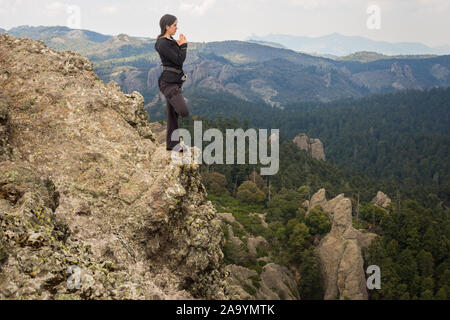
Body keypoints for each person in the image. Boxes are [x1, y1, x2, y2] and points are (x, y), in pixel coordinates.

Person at [154, 14, 190, 152]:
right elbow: (179, 60)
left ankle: (172, 145)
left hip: (175, 82)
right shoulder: (162, 43)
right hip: (168, 83)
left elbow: (179, 59)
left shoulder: (170, 41)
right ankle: (173, 143)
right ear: (167, 26)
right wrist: (184, 46)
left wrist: (180, 45)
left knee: (172, 115)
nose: (177, 27)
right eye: (174, 25)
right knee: (183, 111)